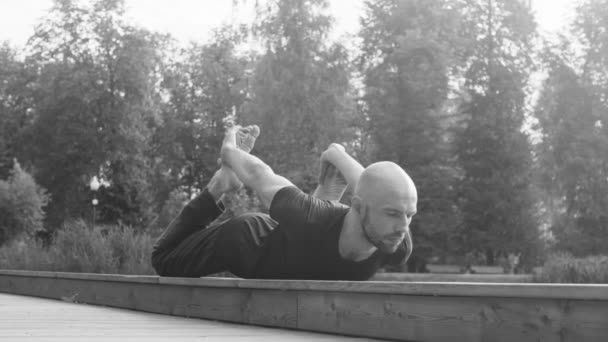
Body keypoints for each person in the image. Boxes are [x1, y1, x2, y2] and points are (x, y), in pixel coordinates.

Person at [151, 125, 417, 280]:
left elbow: (372, 187)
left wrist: (338, 156)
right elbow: (260, 175)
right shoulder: (306, 214)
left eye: (409, 215)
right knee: (162, 259)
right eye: (393, 213)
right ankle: (220, 185)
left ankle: (326, 190)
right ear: (358, 205)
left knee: (313, 228)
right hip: (249, 244)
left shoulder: (395, 242)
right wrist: (230, 152)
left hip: (299, 246)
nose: (402, 226)